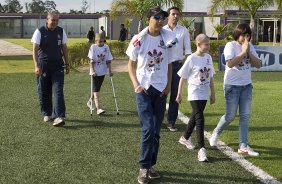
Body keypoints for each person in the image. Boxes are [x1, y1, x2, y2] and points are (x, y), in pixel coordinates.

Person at [126, 6, 176, 184]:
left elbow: (169, 64)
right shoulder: (138, 39)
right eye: (156, 17)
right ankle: (143, 167)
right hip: (144, 89)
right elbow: (130, 64)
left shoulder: (168, 38)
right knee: (148, 128)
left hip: (161, 89)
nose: (160, 20)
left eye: (162, 17)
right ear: (149, 19)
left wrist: (169, 85)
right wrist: (136, 85)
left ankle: (150, 165)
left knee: (156, 132)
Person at [209, 23, 262, 156]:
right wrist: (243, 52)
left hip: (246, 86)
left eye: (248, 35)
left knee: (245, 116)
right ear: (237, 35)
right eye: (243, 35)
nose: (246, 38)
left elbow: (259, 64)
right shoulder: (230, 46)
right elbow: (230, 63)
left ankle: (243, 145)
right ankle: (216, 132)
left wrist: (248, 51)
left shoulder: (250, 46)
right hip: (232, 86)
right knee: (230, 116)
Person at [176, 34, 215, 162]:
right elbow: (182, 77)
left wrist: (212, 93)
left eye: (209, 44)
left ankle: (185, 137)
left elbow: (211, 77)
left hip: (204, 93)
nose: (208, 46)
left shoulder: (208, 58)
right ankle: (201, 148)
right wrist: (179, 94)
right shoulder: (191, 58)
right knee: (200, 118)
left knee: (195, 116)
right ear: (198, 44)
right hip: (194, 93)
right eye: (206, 44)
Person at [31, 11, 70, 127]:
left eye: (57, 20)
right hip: (44, 65)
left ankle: (59, 116)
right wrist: (36, 66)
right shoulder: (39, 31)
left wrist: (67, 64)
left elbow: (64, 48)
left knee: (58, 90)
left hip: (58, 65)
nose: (55, 22)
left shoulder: (61, 31)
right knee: (44, 90)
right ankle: (47, 113)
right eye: (52, 20)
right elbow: (34, 50)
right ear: (47, 20)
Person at [163, 6, 192, 132]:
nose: (175, 16)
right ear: (168, 16)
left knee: (175, 94)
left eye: (177, 14)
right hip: (163, 66)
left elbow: (188, 51)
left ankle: (171, 122)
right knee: (161, 93)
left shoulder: (184, 31)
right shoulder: (162, 30)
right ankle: (157, 120)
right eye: (173, 14)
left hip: (178, 66)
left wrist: (188, 67)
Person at [86, 33, 113, 115]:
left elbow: (108, 60)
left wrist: (110, 71)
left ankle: (90, 101)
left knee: (96, 88)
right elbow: (91, 60)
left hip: (103, 71)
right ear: (95, 40)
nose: (101, 43)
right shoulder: (93, 47)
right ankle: (98, 108)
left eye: (102, 41)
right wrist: (93, 71)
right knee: (96, 89)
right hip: (94, 73)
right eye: (99, 41)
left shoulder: (106, 47)